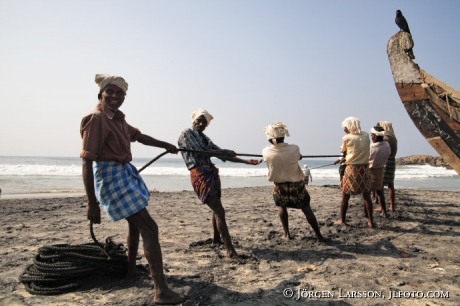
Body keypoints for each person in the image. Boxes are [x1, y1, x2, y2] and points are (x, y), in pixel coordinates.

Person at [80, 74, 185, 305]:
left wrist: (165, 145)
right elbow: (87, 161)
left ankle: (131, 271)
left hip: (123, 172)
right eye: (111, 92)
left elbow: (138, 136)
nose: (116, 97)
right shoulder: (96, 119)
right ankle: (161, 292)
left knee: (135, 224)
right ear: (101, 94)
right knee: (150, 227)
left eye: (120, 93)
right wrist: (91, 203)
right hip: (110, 176)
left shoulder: (117, 119)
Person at [177, 108, 262, 259]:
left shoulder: (206, 139)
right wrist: (224, 151)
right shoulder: (187, 134)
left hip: (210, 173)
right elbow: (200, 152)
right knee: (219, 210)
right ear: (194, 121)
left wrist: (246, 161)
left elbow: (222, 154)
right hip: (200, 174)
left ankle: (217, 239)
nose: (201, 123)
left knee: (217, 209)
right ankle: (230, 252)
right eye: (199, 120)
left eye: (204, 122)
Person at [262, 122, 324, 241]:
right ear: (283, 136)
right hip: (297, 184)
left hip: (279, 185)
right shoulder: (295, 148)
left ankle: (287, 234)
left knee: (281, 206)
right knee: (306, 208)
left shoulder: (266, 152)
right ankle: (319, 235)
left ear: (269, 139)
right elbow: (299, 157)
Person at [334, 117, 375, 228]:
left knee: (345, 195)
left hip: (352, 169)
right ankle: (371, 221)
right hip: (364, 169)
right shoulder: (366, 135)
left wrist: (344, 158)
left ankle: (342, 220)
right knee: (367, 196)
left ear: (350, 127)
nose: (344, 129)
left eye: (345, 127)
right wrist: (345, 157)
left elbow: (344, 151)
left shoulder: (346, 137)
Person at [369, 126, 391, 217]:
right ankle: (384, 212)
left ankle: (366, 212)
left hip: (371, 170)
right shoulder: (387, 145)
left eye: (372, 135)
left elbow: (368, 158)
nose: (371, 136)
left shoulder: (372, 147)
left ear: (375, 137)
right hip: (381, 169)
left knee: (366, 192)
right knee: (380, 190)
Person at [378, 121, 398, 211]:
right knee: (391, 185)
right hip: (392, 161)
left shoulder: (385, 138)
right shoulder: (394, 138)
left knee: (380, 184)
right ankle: (392, 206)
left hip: (385, 160)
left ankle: (382, 206)